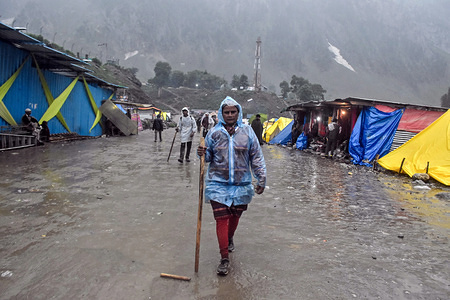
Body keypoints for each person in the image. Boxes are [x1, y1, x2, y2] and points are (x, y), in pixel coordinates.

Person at [197, 96, 266, 276]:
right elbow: (209, 157)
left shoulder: (248, 132)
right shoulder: (214, 133)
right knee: (222, 219)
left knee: (234, 217)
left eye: (232, 112)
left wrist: (261, 178)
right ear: (221, 113)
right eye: (226, 112)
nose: (229, 115)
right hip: (217, 184)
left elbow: (256, 157)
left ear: (238, 112)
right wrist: (202, 153)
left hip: (241, 184)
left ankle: (229, 237)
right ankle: (224, 257)